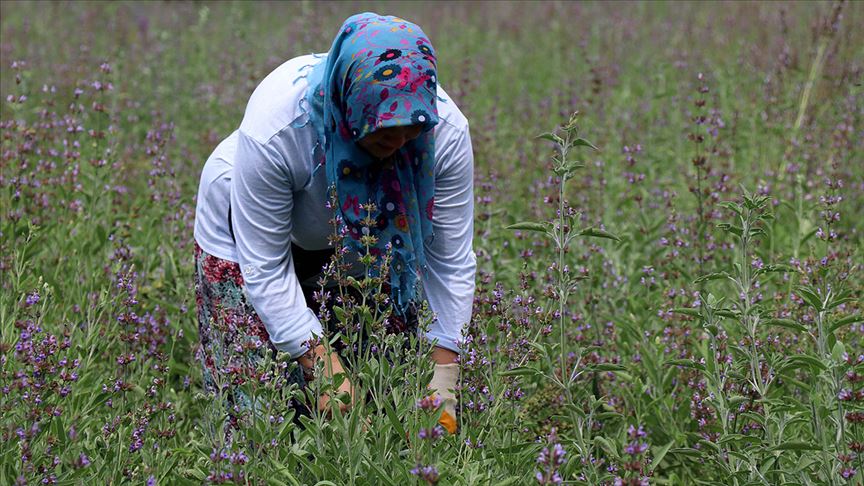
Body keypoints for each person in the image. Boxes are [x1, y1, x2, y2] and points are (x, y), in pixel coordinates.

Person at [193, 12, 475, 436]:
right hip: (254, 236)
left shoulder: (442, 134)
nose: (399, 143)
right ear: (350, 104)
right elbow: (265, 266)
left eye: (410, 131)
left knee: (385, 399)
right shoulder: (279, 130)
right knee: (258, 414)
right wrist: (321, 366)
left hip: (363, 237)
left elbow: (448, 261)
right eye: (385, 130)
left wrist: (443, 381)